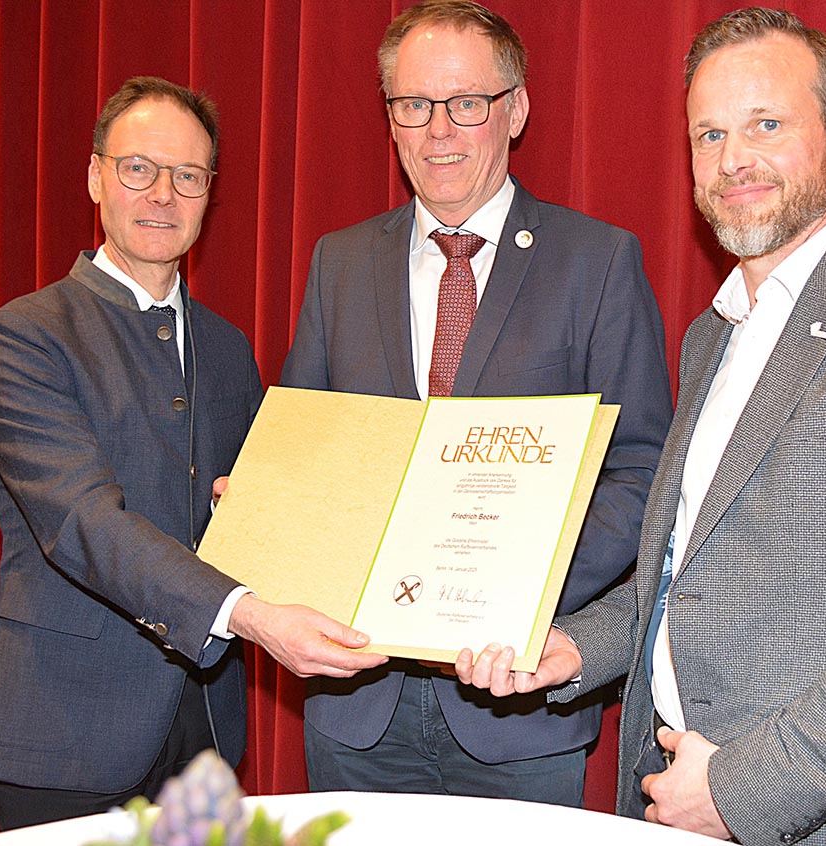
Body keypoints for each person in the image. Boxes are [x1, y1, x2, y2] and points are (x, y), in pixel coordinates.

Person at [456, 8, 826, 844]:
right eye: (709, 134)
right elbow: (678, 572)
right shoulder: (711, 333)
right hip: (670, 799)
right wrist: (569, 649)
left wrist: (739, 790)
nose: (733, 159)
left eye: (768, 124)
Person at [280, 0, 672, 808]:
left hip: (517, 705)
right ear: (390, 117)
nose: (438, 132)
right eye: (413, 105)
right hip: (357, 707)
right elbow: (305, 449)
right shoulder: (339, 263)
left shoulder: (598, 262)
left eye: (466, 104)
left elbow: (639, 473)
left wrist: (520, 593)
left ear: (516, 109)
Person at [0, 76, 386, 830]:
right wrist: (253, 616)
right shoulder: (23, 337)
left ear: (209, 195)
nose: (162, 194)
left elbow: (270, 502)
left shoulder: (228, 348)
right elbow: (83, 523)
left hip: (208, 733)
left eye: (188, 176)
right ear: (96, 175)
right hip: (69, 729)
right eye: (138, 168)